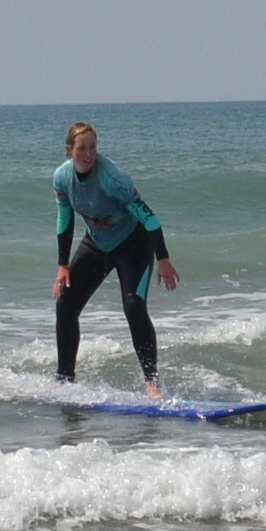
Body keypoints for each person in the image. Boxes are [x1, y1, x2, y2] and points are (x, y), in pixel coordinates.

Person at [52, 122, 180, 399]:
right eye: (82, 148)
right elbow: (65, 219)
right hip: (97, 243)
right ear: (69, 150)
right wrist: (63, 266)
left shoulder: (113, 179)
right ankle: (64, 381)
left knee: (134, 306)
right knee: (65, 304)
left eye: (93, 147)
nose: (89, 154)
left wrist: (164, 259)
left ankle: (152, 383)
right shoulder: (62, 179)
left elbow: (150, 218)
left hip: (134, 243)